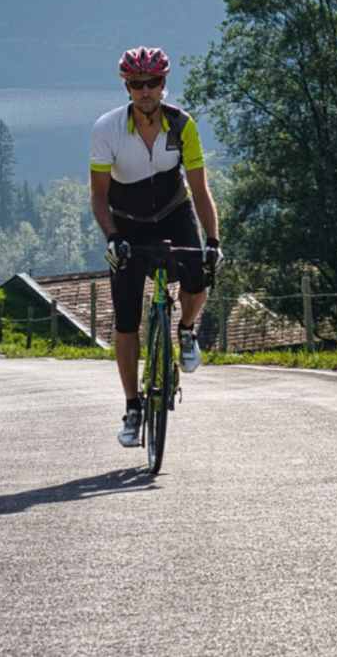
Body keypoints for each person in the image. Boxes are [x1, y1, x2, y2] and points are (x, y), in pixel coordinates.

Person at [90, 46, 223, 447]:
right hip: (127, 223)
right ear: (126, 87)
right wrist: (112, 236)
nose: (145, 91)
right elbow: (98, 196)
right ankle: (132, 406)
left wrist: (214, 241)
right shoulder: (107, 129)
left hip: (173, 212)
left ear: (164, 84)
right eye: (136, 84)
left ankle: (184, 331)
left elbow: (199, 189)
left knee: (197, 279)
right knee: (126, 321)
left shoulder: (182, 125)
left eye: (153, 83)